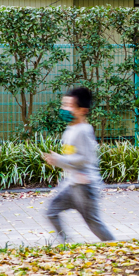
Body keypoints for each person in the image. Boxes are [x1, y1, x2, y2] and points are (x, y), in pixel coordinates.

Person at [42, 86, 116, 244]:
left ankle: (115, 247)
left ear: (82, 110)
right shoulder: (71, 129)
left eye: (69, 106)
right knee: (51, 211)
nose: (64, 109)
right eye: (64, 104)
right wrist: (62, 161)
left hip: (85, 187)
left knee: (94, 224)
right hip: (72, 185)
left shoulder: (83, 130)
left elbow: (85, 158)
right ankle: (67, 245)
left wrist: (60, 160)